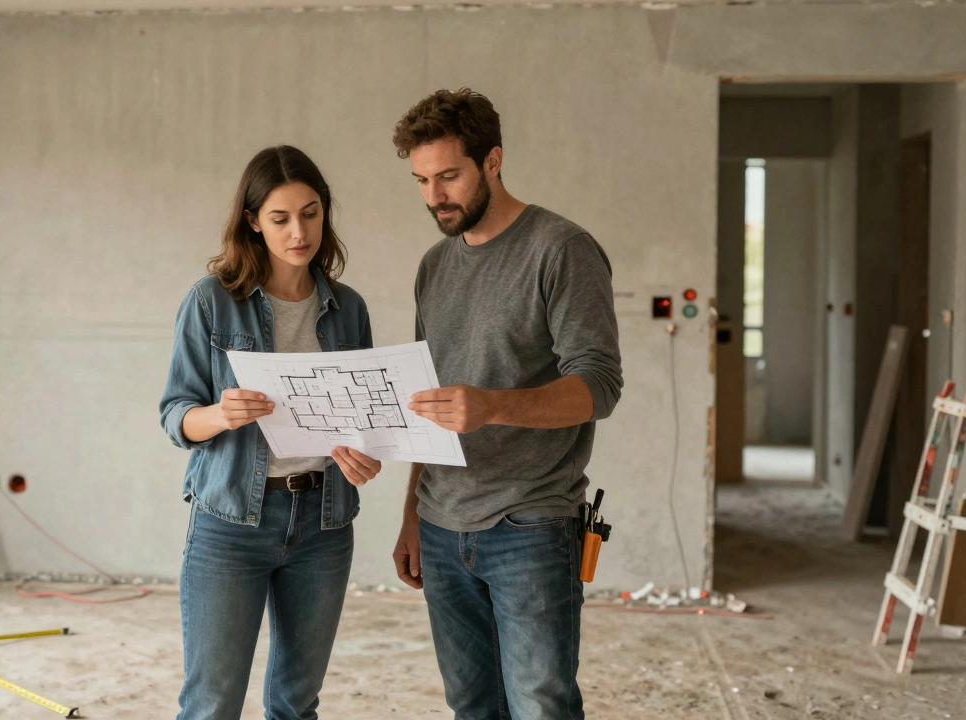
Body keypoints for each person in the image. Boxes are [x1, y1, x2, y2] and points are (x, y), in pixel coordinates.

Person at [389, 88, 623, 719]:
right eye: (421, 180)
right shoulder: (434, 267)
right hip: (441, 526)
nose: (434, 196)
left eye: (448, 176)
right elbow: (430, 401)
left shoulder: (561, 249)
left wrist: (491, 406)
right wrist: (412, 512)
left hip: (531, 524)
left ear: (492, 161)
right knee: (472, 707)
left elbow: (599, 385)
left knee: (540, 707)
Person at [159, 145, 382, 720]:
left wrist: (367, 457)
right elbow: (175, 414)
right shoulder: (211, 301)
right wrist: (220, 413)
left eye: (310, 213)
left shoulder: (349, 309)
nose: (298, 232)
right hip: (230, 523)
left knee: (296, 704)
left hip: (324, 524)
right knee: (212, 705)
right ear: (253, 221)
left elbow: (365, 422)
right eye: (280, 218)